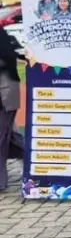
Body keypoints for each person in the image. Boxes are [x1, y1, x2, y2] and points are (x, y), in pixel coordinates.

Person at [0, 26, 20, 191]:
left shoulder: (2, 36)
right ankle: (36, 159)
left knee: (1, 138)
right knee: (10, 138)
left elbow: (7, 58)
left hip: (5, 96)